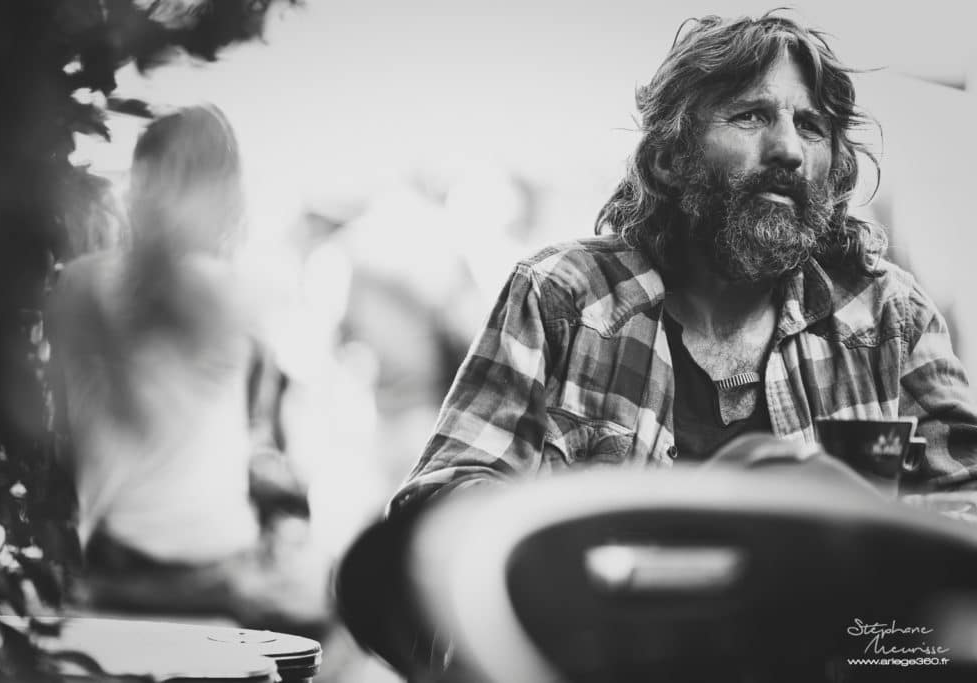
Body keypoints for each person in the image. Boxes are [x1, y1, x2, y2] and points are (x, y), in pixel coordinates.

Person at [387, 11, 977, 519]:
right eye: (750, 116)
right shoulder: (562, 298)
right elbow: (442, 511)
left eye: (811, 127)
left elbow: (964, 506)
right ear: (669, 158)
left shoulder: (887, 316)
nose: (789, 150)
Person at [48, 104, 329, 633]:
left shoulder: (78, 287)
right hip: (213, 570)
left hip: (105, 568)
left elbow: (65, 436)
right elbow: (268, 433)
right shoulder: (236, 295)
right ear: (225, 191)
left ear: (141, 181)